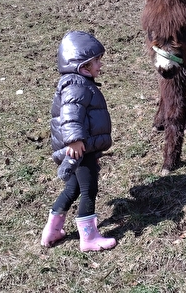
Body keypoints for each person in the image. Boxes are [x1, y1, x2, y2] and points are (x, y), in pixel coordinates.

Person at [41, 31, 116, 251]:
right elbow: (70, 113)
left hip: (82, 147)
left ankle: (53, 229)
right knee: (88, 189)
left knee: (72, 188)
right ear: (83, 66)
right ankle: (89, 238)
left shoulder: (79, 81)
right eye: (97, 61)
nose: (100, 65)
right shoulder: (76, 84)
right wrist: (74, 140)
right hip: (80, 149)